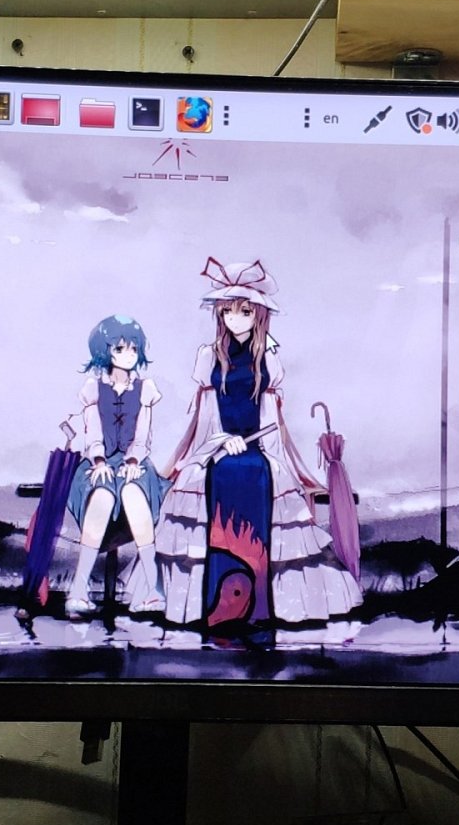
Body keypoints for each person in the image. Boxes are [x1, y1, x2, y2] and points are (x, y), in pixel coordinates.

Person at [154, 259, 362, 634]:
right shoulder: (208, 356)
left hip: (260, 450)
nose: (235, 319)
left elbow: (271, 418)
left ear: (259, 315)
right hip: (216, 449)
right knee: (210, 482)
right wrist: (221, 441)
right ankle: (214, 604)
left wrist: (263, 449)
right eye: (228, 312)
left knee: (262, 478)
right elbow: (204, 415)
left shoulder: (269, 358)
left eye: (245, 311)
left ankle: (261, 605)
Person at [61, 314, 168, 617]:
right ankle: (78, 589)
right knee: (101, 497)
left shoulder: (145, 388)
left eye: (133, 348)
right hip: (100, 462)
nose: (128, 355)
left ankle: (154, 589)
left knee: (134, 495)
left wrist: (134, 460)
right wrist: (98, 460)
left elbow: (143, 434)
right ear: (104, 351)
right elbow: (92, 431)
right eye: (120, 349)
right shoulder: (93, 388)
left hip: (135, 461)